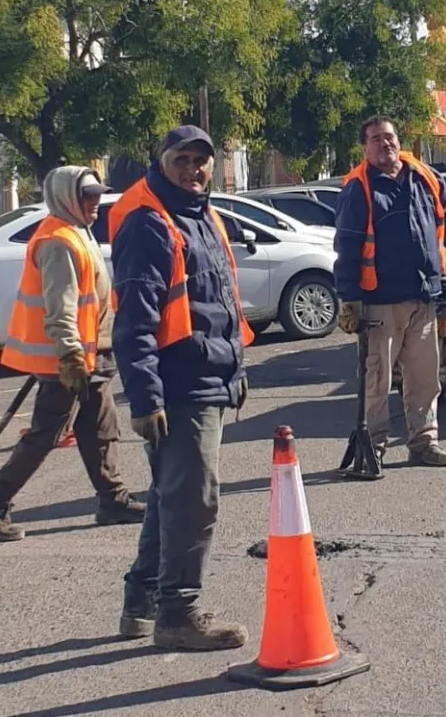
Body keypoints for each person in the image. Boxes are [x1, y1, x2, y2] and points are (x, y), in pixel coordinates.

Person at [109, 125, 254, 651]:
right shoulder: (151, 223)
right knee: (193, 502)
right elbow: (134, 320)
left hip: (205, 376)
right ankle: (178, 613)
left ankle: (143, 602)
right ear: (161, 160)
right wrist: (145, 398)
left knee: (169, 498)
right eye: (182, 159)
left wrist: (235, 369)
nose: (193, 169)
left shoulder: (200, 216)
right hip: (179, 387)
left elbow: (218, 304)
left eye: (201, 160)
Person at [0, 167, 145, 542]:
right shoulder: (58, 241)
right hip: (72, 360)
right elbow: (60, 309)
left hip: (92, 355)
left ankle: (112, 500)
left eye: (97, 194)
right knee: (47, 434)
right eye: (87, 195)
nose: (95, 202)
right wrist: (70, 358)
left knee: (101, 430)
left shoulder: (78, 231)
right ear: (66, 197)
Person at [334, 115, 446, 467]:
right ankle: (373, 446)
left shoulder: (424, 177)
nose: (385, 143)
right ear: (365, 148)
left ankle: (424, 443)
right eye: (376, 139)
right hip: (380, 302)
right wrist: (349, 299)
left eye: (389, 136)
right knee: (377, 379)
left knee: (424, 378)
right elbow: (347, 247)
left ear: (399, 140)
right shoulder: (359, 188)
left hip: (423, 295)